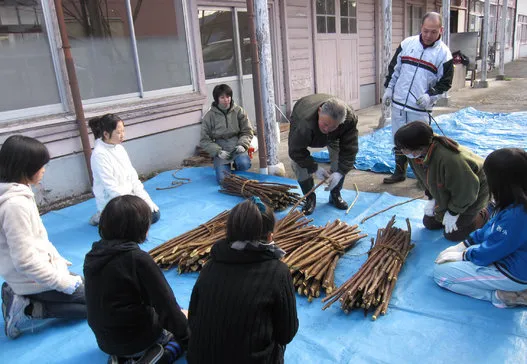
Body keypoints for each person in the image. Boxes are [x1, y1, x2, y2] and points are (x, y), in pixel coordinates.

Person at [187, 197, 298, 364]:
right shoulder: (278, 273)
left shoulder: (209, 266)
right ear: (270, 237)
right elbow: (286, 334)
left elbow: (193, 317)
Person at [84, 195, 189, 364]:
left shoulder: (93, 254)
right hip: (135, 338)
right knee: (186, 319)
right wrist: (189, 339)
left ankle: (122, 358)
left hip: (105, 341)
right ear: (140, 227)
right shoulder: (138, 260)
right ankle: (157, 356)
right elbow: (166, 307)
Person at [0, 135, 86, 339]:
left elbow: (37, 240)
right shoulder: (15, 206)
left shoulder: (19, 191)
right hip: (29, 278)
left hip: (36, 272)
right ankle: (30, 308)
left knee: (94, 292)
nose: (44, 170)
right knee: (96, 308)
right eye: (40, 166)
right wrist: (61, 281)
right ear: (24, 168)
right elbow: (25, 261)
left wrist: (57, 263)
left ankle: (17, 292)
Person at [434, 148, 527, 308]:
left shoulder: (517, 214)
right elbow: (491, 227)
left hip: (515, 272)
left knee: (441, 275)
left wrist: (465, 255)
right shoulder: (513, 198)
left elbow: (495, 249)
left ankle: (506, 296)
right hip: (513, 257)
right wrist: (465, 244)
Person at [382, 12, 453, 184]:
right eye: (426, 30)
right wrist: (389, 89)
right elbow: (394, 69)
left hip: (419, 108)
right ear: (421, 27)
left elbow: (446, 82)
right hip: (399, 103)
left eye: (433, 32)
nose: (428, 35)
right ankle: (399, 172)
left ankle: (425, 178)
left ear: (441, 30)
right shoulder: (407, 44)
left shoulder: (444, 54)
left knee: (421, 144)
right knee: (398, 139)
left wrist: (430, 95)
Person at [394, 122, 489, 241]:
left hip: (476, 191)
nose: (402, 151)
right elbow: (423, 177)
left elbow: (467, 191)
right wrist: (431, 198)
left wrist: (454, 212)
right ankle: (455, 210)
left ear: (418, 148)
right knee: (430, 223)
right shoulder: (416, 154)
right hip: (449, 188)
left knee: (453, 235)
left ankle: (485, 213)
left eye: (404, 148)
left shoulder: (451, 160)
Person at [288, 94, 358, 215]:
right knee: (298, 163)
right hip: (306, 125)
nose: (327, 129)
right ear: (319, 111)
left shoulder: (349, 120)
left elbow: (349, 150)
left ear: (341, 123)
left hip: (333, 138)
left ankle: (335, 193)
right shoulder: (303, 122)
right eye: (325, 124)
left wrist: (340, 172)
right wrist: (314, 168)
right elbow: (296, 151)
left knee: (339, 156)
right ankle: (309, 196)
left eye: (333, 127)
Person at [88, 114, 160, 226]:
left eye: (123, 131)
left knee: (154, 214)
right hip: (114, 201)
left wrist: (146, 200)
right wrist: (133, 205)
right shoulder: (99, 155)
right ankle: (103, 216)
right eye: (118, 132)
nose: (122, 135)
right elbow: (111, 188)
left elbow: (133, 178)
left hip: (128, 197)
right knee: (139, 221)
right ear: (106, 134)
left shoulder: (120, 149)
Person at [200, 84, 254, 184]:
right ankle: (225, 168)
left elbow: (247, 131)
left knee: (244, 164)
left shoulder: (239, 111)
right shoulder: (209, 116)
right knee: (223, 180)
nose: (226, 100)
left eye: (228, 96)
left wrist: (243, 144)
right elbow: (204, 140)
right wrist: (217, 152)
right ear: (217, 99)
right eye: (222, 97)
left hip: (236, 143)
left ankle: (237, 168)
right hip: (220, 146)